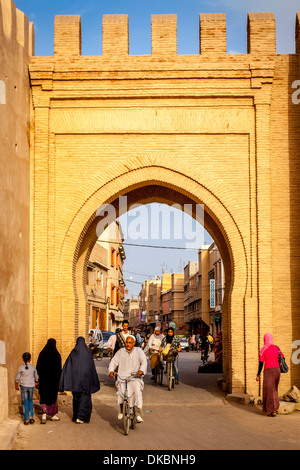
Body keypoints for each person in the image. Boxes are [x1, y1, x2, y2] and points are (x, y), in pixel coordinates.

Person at [59, 337, 100, 424]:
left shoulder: (73, 353)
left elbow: (67, 366)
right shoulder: (87, 353)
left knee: (76, 399)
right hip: (85, 381)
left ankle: (76, 416)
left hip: (75, 382)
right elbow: (91, 367)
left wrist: (67, 379)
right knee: (84, 399)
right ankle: (81, 417)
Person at [108, 335, 147, 422]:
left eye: (130, 342)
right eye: (127, 342)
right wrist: (111, 371)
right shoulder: (121, 352)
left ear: (133, 343)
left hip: (135, 378)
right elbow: (113, 362)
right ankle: (122, 410)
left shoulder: (139, 351)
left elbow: (144, 361)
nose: (128, 344)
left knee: (137, 391)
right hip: (122, 377)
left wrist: (141, 370)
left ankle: (137, 414)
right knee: (121, 393)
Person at [256, 333, 285, 417]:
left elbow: (261, 363)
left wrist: (258, 374)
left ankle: (272, 410)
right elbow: (282, 357)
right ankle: (275, 407)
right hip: (277, 370)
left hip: (269, 371)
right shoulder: (277, 348)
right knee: (274, 389)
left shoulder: (263, 349)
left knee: (269, 390)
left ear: (264, 339)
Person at [36, 338, 62, 424]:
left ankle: (43, 415)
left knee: (44, 397)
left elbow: (38, 368)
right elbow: (59, 370)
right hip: (53, 382)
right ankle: (53, 415)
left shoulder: (42, 354)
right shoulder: (57, 355)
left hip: (43, 381)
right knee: (52, 398)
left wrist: (37, 379)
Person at [15, 352, 39, 425]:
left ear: (22, 359)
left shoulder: (21, 368)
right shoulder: (33, 367)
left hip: (23, 386)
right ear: (30, 359)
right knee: (30, 401)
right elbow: (36, 377)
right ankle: (31, 417)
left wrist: (16, 385)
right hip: (31, 386)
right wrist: (36, 382)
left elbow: (17, 378)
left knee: (25, 402)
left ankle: (26, 419)